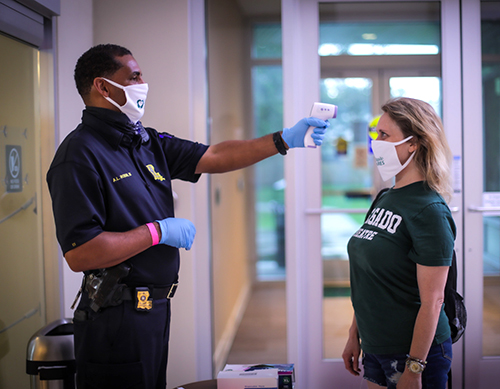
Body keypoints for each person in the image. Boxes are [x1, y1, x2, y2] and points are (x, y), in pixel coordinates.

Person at [46, 44, 329, 389]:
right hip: (115, 317)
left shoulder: (144, 140)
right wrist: (157, 231)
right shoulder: (78, 155)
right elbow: (80, 253)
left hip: (153, 309)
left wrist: (283, 140)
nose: (142, 83)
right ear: (103, 87)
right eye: (133, 76)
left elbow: (213, 155)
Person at [342, 97, 456, 389]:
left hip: (413, 353)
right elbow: (370, 276)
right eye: (375, 134)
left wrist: (415, 368)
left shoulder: (429, 210)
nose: (375, 143)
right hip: (375, 345)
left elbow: (434, 302)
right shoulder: (385, 197)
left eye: (384, 135)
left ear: (413, 143)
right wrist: (355, 334)